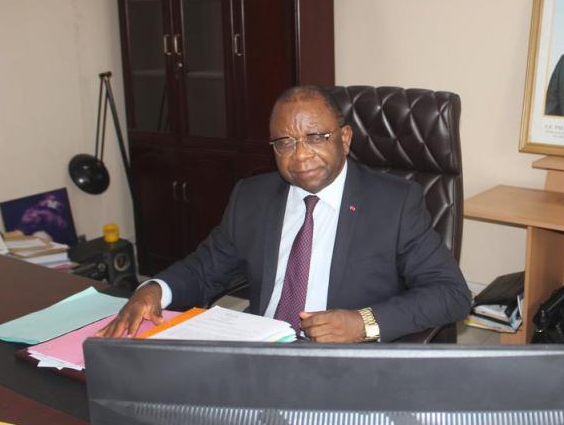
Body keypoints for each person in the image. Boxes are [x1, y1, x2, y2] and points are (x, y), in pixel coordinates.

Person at [99, 85, 471, 342]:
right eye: (285, 143)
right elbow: (204, 269)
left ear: (344, 139)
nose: (300, 155)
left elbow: (451, 293)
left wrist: (363, 323)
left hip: (346, 361)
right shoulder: (252, 197)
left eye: (316, 137)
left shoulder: (394, 203)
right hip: (262, 351)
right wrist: (153, 290)